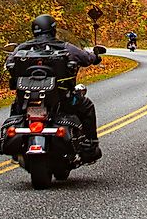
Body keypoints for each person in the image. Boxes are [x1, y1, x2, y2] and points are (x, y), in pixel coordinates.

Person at [7, 14, 103, 162]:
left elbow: (9, 63)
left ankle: (17, 149)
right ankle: (90, 145)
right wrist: (95, 57)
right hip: (63, 99)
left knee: (15, 107)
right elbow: (86, 58)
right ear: (53, 29)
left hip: (26, 100)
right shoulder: (65, 47)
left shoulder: (22, 49)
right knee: (87, 106)